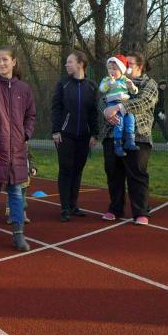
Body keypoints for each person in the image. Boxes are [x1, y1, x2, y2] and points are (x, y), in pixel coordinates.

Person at [0, 46, 36, 252]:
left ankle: (18, 234)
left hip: (17, 150)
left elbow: (31, 115)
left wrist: (25, 135)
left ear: (14, 62)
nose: (1, 63)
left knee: (17, 192)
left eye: (5, 60)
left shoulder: (24, 89)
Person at [99, 52, 158, 225]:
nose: (124, 65)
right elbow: (102, 100)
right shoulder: (114, 80)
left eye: (129, 63)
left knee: (137, 174)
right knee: (113, 173)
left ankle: (140, 212)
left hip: (138, 136)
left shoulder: (149, 83)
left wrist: (118, 107)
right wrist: (105, 110)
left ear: (140, 66)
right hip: (112, 134)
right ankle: (115, 209)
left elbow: (144, 102)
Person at [51, 50, 99, 221]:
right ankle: (64, 208)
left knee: (78, 170)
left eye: (70, 62)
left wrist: (94, 133)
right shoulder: (63, 84)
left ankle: (73, 205)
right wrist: (56, 131)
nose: (66, 65)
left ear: (80, 64)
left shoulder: (92, 86)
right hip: (65, 135)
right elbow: (56, 108)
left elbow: (93, 112)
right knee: (66, 169)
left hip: (84, 136)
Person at [99, 54, 139, 157]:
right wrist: (109, 84)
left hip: (125, 103)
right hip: (113, 103)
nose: (111, 71)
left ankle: (130, 141)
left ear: (121, 70)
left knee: (130, 119)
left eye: (114, 69)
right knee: (119, 122)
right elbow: (102, 89)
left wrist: (132, 87)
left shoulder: (125, 79)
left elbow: (134, 92)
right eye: (109, 69)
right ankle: (118, 146)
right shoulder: (107, 79)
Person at [154, 80, 168, 146]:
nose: (164, 86)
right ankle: (141, 140)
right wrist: (159, 112)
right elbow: (154, 104)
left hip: (159, 113)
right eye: (163, 85)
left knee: (163, 127)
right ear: (159, 85)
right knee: (149, 128)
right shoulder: (156, 92)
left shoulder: (162, 92)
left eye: (165, 85)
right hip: (154, 113)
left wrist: (163, 112)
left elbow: (162, 104)